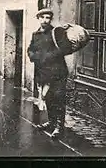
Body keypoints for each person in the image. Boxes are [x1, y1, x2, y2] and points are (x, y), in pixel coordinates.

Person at [27, 8, 71, 139]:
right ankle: (51, 122)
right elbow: (30, 49)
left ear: (50, 19)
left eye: (48, 18)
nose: (45, 20)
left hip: (58, 72)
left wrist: (47, 56)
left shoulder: (57, 33)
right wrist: (33, 56)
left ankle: (59, 127)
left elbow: (65, 48)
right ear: (38, 18)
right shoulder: (35, 34)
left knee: (59, 99)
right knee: (48, 98)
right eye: (43, 17)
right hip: (43, 72)